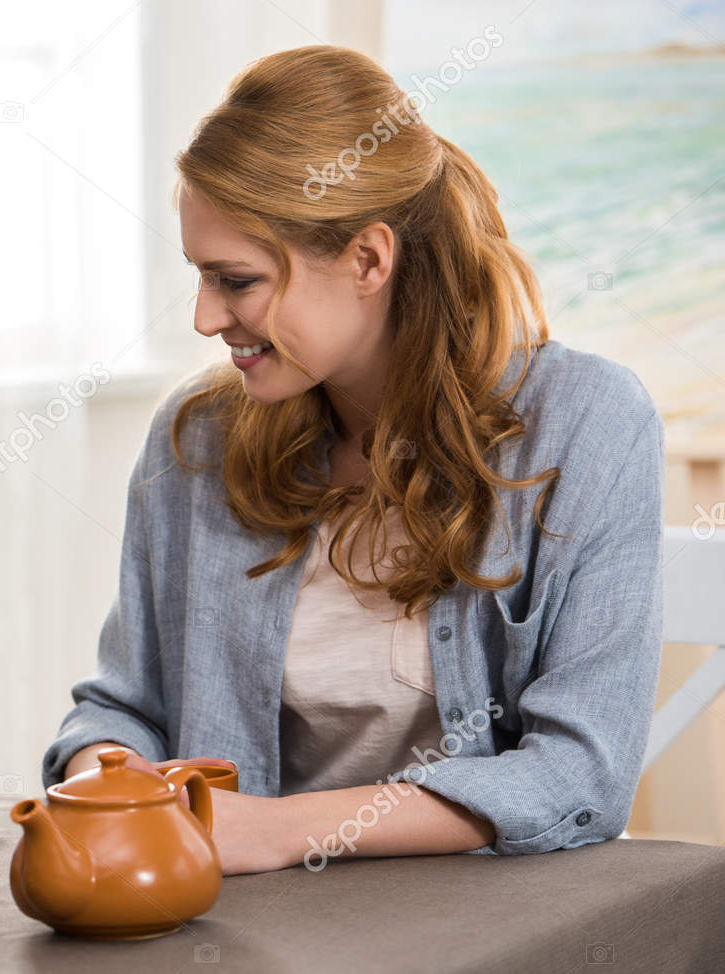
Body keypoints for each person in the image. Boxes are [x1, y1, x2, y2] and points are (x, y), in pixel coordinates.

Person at [42, 45, 663, 874]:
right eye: (200, 276)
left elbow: (581, 776)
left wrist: (277, 830)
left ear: (369, 259)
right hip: (248, 930)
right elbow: (123, 709)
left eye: (237, 280)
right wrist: (110, 782)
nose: (204, 317)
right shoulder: (194, 440)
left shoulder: (588, 424)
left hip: (485, 930)